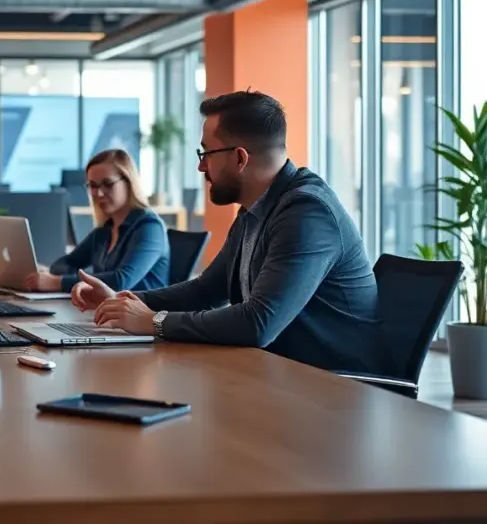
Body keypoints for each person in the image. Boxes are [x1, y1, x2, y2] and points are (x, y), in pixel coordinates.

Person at [71, 91, 389, 375]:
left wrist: (154, 321)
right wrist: (125, 301)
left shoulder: (307, 213)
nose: (201, 168)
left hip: (332, 388)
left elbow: (258, 323)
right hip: (279, 370)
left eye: (205, 154)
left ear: (239, 158)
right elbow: (207, 290)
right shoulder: (257, 207)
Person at [23, 149, 169, 293]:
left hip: (143, 313)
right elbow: (64, 264)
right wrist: (52, 275)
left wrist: (58, 282)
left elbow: (121, 281)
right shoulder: (105, 230)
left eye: (108, 184)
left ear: (129, 183)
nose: (98, 193)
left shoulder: (150, 227)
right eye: (93, 186)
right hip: (108, 310)